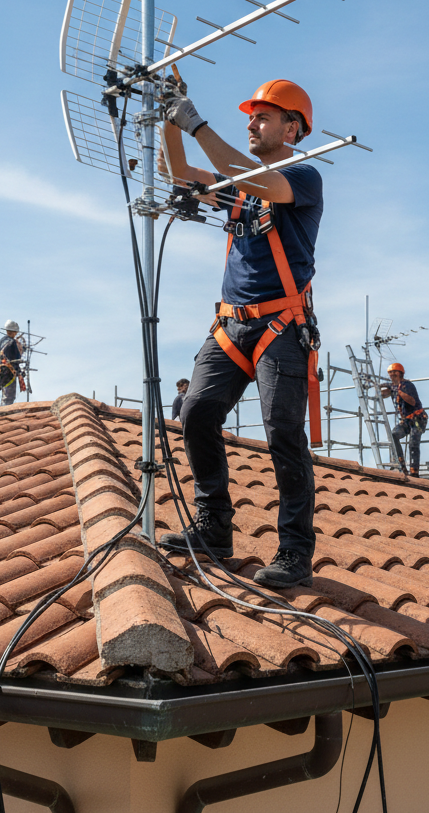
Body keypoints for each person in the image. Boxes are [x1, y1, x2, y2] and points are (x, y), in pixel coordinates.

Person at [157, 79, 323, 589]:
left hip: (282, 325)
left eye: (264, 118)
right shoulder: (240, 185)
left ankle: (294, 552)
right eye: (251, 118)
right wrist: (169, 117)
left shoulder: (302, 176)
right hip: (232, 325)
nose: (252, 124)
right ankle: (215, 527)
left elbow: (248, 175)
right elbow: (179, 170)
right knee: (196, 413)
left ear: (291, 127)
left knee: (283, 434)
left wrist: (195, 122)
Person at [381, 362, 426, 475]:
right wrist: (377, 388)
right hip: (406, 420)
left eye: (394, 372)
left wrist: (398, 391)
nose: (392, 374)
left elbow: (412, 401)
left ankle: (414, 471)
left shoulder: (408, 385)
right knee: (394, 435)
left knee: (413, 443)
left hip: (418, 418)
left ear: (400, 373)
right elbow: (384, 393)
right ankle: (401, 464)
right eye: (390, 372)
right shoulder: (393, 387)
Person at [0, 320, 27, 406]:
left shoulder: (2, 341)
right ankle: (4, 413)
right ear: (14, 332)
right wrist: (22, 349)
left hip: (0, 372)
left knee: (5, 395)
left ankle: (2, 410)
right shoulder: (12, 342)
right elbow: (16, 358)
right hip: (9, 373)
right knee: (9, 397)